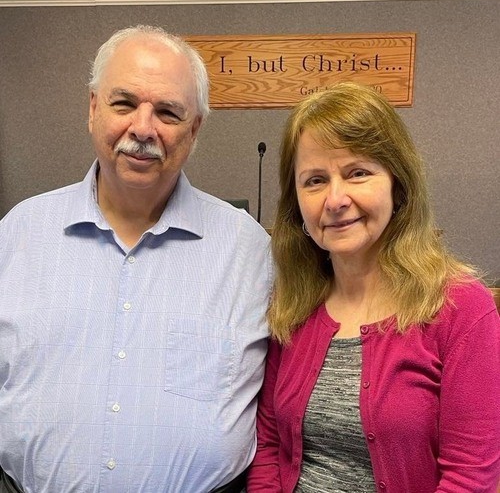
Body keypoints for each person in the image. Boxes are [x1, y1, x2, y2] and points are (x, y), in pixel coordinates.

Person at [0, 25, 272, 493]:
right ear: (93, 108)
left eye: (167, 112)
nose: (143, 129)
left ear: (194, 128)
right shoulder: (16, 235)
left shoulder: (249, 252)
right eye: (124, 103)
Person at [246, 82, 500, 492]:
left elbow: (471, 477)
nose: (335, 199)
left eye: (358, 173)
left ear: (398, 184)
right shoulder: (292, 305)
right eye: (314, 180)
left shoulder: (461, 307)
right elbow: (270, 447)